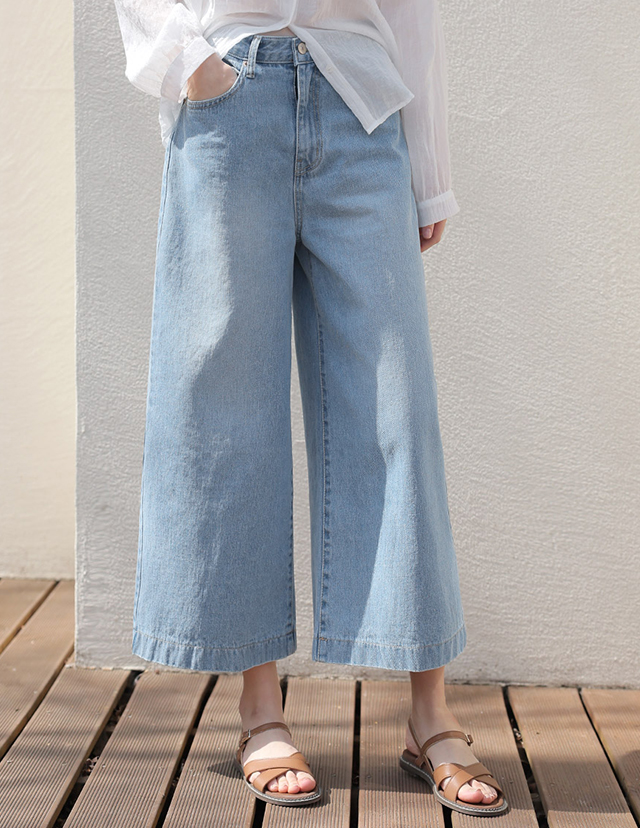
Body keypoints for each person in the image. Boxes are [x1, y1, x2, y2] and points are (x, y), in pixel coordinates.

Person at [113, 0, 508, 816]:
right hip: (229, 103)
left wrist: (429, 172)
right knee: (228, 411)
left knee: (398, 412)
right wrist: (190, 63)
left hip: (360, 102)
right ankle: (261, 710)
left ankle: (430, 714)